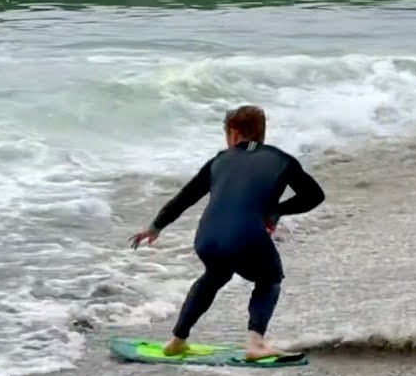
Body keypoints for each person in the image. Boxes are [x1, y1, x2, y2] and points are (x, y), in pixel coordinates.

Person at [128, 105, 325, 361]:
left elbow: (185, 197)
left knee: (215, 275)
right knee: (269, 279)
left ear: (233, 133)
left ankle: (177, 341)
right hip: (248, 236)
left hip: (207, 238)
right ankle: (255, 344)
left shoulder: (218, 161)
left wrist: (155, 227)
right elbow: (314, 196)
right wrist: (275, 211)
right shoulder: (282, 160)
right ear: (261, 133)